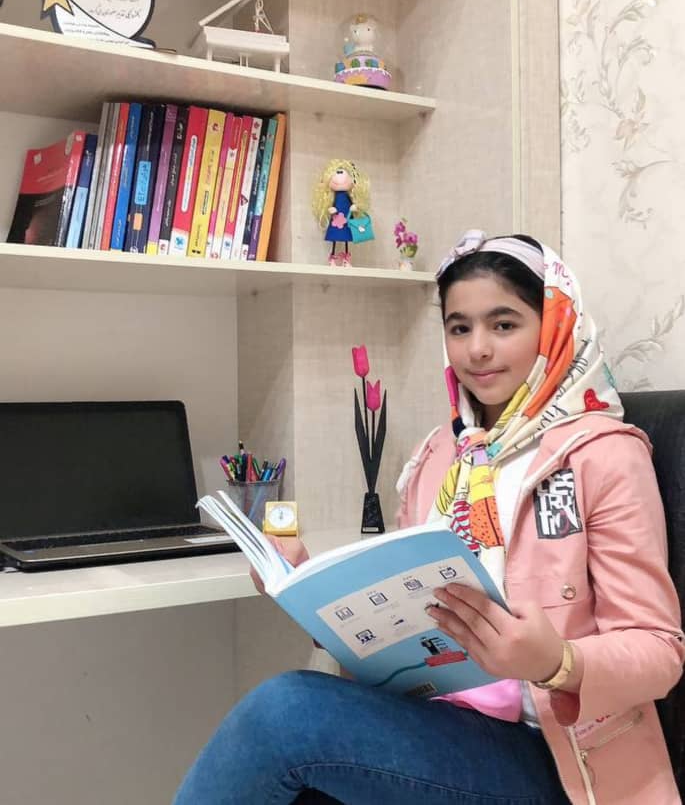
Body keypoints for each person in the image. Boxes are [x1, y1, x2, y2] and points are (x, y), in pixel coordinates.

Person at [173, 230, 684, 805]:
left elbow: (659, 650)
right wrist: (308, 592)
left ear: (553, 328)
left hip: (558, 756)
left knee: (285, 713)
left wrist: (556, 662)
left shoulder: (604, 453)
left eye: (504, 324)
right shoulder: (439, 454)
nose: (477, 349)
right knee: (294, 729)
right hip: (440, 721)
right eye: (459, 327)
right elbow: (404, 622)